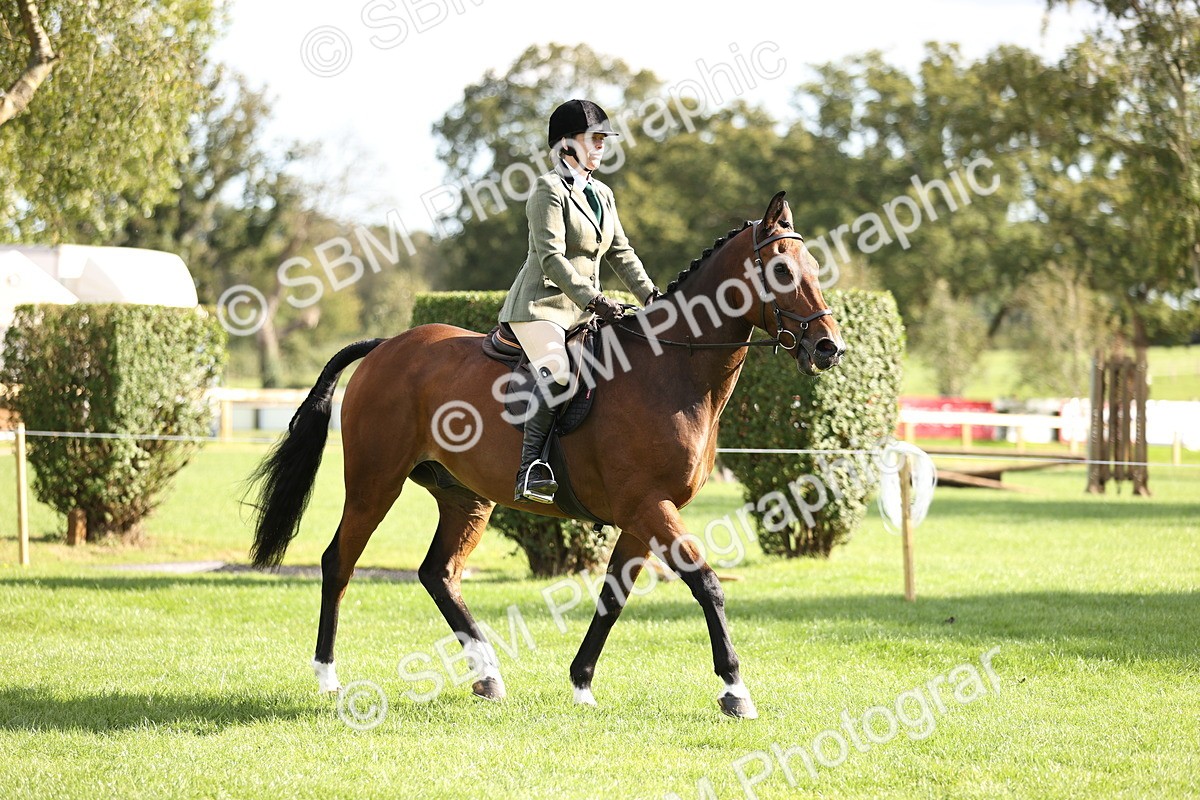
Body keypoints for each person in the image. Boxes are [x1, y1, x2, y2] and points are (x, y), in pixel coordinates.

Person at [498, 98, 661, 504]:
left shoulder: (602, 194)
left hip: (584, 310)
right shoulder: (546, 190)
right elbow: (551, 259)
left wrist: (653, 297)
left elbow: (622, 253)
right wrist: (597, 300)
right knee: (557, 372)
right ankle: (531, 467)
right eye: (595, 139)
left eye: (604, 139)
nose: (602, 146)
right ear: (566, 145)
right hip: (541, 308)